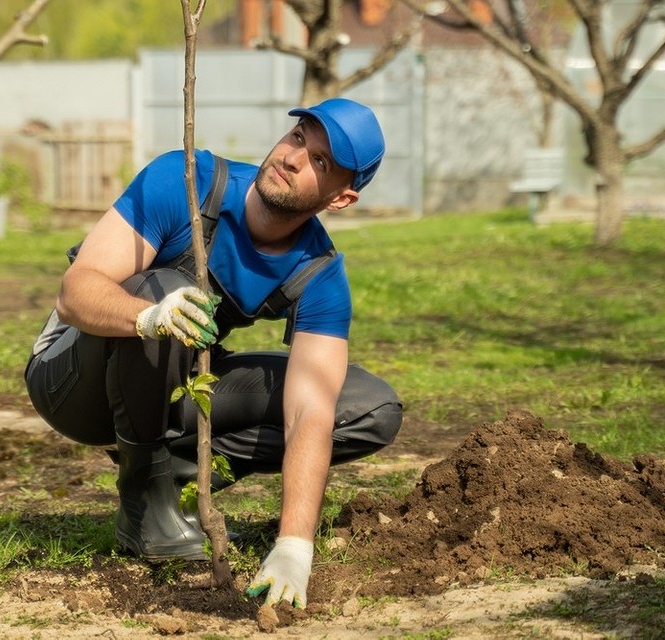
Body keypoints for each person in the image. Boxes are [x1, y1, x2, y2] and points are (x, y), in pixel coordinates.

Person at [24, 97, 403, 609]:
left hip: (169, 381)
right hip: (71, 380)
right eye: (298, 137)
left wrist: (295, 545)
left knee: (368, 407)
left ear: (341, 198)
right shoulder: (187, 182)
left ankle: (174, 476)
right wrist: (147, 317)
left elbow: (311, 408)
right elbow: (74, 294)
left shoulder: (318, 273)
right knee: (165, 290)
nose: (292, 158)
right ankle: (145, 501)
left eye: (319, 161)